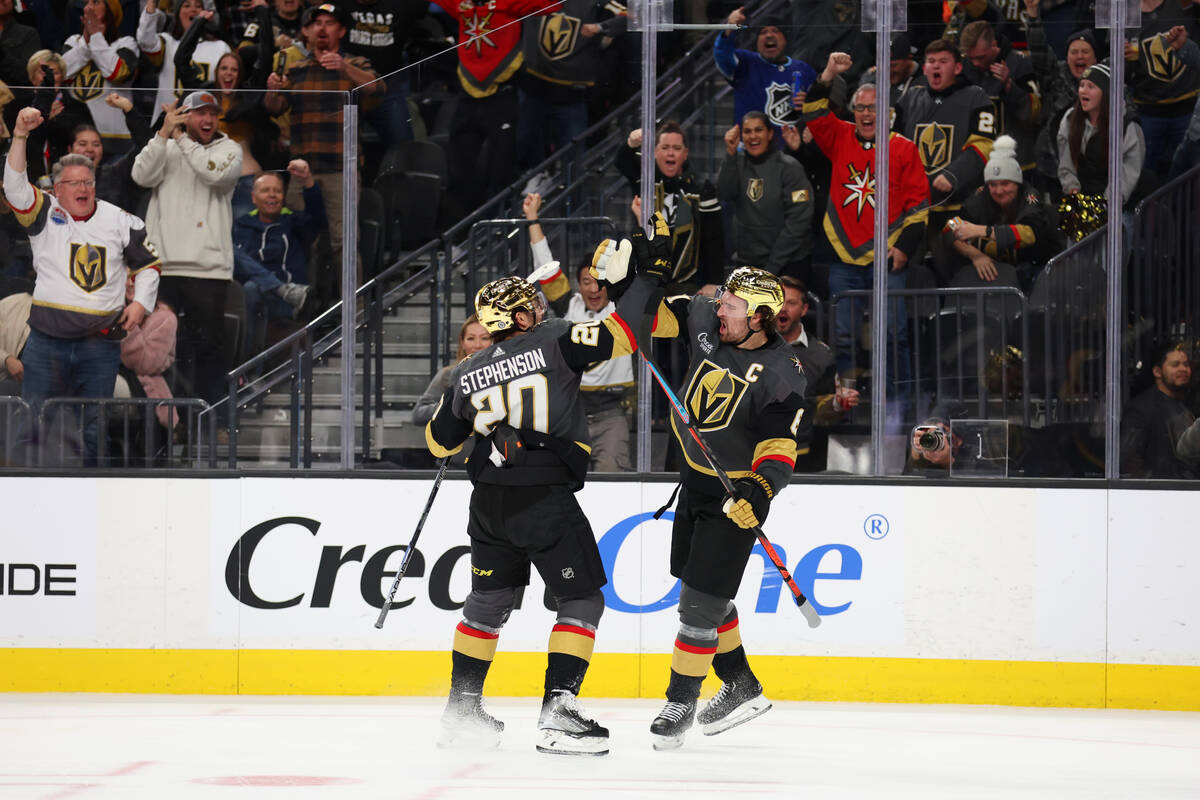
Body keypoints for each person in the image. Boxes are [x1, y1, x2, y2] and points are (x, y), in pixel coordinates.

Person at [423, 263, 650, 755]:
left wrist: (488, 418)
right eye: (531, 306)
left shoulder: (466, 370)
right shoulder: (553, 337)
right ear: (521, 318)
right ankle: (559, 712)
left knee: (487, 602)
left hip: (487, 500)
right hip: (543, 495)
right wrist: (642, 282)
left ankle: (462, 710)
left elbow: (439, 443)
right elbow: (625, 335)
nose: (539, 309)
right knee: (583, 598)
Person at [599, 245, 806, 748]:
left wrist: (758, 492)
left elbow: (778, 449)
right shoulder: (706, 320)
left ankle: (680, 701)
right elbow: (648, 322)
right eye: (723, 302)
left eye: (732, 307)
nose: (721, 310)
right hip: (694, 478)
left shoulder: (784, 373)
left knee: (697, 606)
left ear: (760, 318)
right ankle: (740, 683)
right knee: (703, 588)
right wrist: (631, 283)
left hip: (734, 495)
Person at [4, 107, 161, 463]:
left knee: (93, 426)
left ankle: (89, 496)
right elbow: (14, 187)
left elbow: (149, 265)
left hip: (99, 344)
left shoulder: (121, 220)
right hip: (46, 342)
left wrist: (141, 304)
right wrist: (19, 136)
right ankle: (28, 495)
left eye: (88, 182)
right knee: (33, 422)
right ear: (57, 189)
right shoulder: (44, 211)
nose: (83, 188)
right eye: (74, 183)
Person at [799, 53, 929, 392]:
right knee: (842, 336)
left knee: (894, 334)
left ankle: (898, 402)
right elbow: (813, 110)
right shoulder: (839, 136)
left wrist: (904, 247)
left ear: (887, 112)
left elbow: (919, 207)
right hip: (844, 258)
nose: (867, 114)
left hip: (889, 258)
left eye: (873, 107)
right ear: (853, 111)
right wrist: (828, 71)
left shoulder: (905, 148)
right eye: (861, 107)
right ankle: (847, 402)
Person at [263, 3, 382, 305]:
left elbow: (379, 88)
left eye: (329, 23)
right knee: (302, 240)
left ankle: (352, 315)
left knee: (343, 242)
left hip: (341, 168)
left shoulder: (355, 62)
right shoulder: (297, 69)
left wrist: (344, 68)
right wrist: (272, 89)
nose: (322, 28)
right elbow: (274, 108)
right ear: (307, 30)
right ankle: (306, 310)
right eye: (316, 23)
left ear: (341, 31)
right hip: (302, 172)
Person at [131, 89, 242, 408]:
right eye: (199, 113)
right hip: (163, 265)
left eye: (212, 113)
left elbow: (213, 174)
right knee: (161, 349)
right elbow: (140, 175)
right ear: (185, 115)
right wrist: (164, 132)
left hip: (209, 269)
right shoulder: (166, 144)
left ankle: (210, 419)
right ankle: (170, 424)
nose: (207, 119)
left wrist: (179, 138)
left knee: (207, 349)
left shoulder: (230, 149)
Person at [524, 191, 635, 472]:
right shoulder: (567, 306)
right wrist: (532, 218)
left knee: (612, 482)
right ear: (578, 285)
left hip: (613, 413)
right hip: (570, 414)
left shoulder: (623, 309)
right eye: (586, 281)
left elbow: (639, 269)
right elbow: (545, 264)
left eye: (599, 282)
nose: (594, 288)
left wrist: (639, 221)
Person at [894, 38, 997, 263]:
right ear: (925, 68)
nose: (936, 66)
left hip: (960, 208)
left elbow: (985, 144)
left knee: (951, 271)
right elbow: (892, 143)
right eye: (931, 61)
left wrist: (953, 174)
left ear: (958, 67)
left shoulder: (976, 96)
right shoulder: (910, 98)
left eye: (943, 61)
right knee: (913, 277)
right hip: (914, 209)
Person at [614, 121, 723, 291]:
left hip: (688, 285)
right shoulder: (645, 181)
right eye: (664, 147)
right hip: (647, 281)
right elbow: (622, 161)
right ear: (655, 152)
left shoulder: (702, 189)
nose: (670, 153)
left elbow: (714, 240)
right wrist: (631, 143)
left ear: (685, 153)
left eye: (676, 148)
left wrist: (714, 282)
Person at [944, 135, 1059, 291]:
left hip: (1036, 270)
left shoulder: (1030, 195)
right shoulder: (982, 193)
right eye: (993, 184)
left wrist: (980, 230)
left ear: (1017, 183)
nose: (998, 191)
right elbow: (949, 227)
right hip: (995, 273)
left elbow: (1030, 234)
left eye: (1005, 184)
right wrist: (975, 255)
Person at [232, 161, 323, 354]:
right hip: (250, 297)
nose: (272, 195)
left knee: (250, 289)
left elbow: (319, 220)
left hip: (286, 302)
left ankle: (249, 372)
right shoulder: (240, 226)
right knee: (230, 252)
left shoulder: (293, 222)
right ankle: (279, 288)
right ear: (253, 198)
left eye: (277, 191)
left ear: (283, 196)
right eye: (265, 190)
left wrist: (307, 181)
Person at [718, 111, 814, 281]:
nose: (753, 136)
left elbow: (799, 222)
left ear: (770, 134)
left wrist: (772, 268)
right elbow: (725, 193)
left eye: (758, 130)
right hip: (747, 263)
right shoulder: (736, 163)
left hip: (787, 264)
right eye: (747, 131)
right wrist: (730, 155)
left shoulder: (789, 167)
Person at [1056, 64, 1147, 238]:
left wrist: (1103, 207)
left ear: (1106, 93)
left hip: (1117, 206)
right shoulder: (1070, 119)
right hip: (1082, 199)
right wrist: (1073, 192)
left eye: (1091, 87)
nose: (1083, 91)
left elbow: (1128, 175)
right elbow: (1066, 164)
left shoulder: (1128, 127)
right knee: (1073, 251)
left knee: (1111, 247)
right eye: (1082, 85)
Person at [776, 275, 856, 472]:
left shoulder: (820, 355)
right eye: (778, 302)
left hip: (799, 454)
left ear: (803, 309)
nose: (783, 308)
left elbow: (822, 411)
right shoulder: (748, 346)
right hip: (749, 450)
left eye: (791, 303)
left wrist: (838, 403)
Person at [713, 9, 818, 138]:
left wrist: (810, 105)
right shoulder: (745, 62)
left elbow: (823, 107)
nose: (769, 35)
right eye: (763, 32)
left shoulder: (804, 69)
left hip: (793, 152)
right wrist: (729, 28)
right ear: (757, 42)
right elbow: (722, 55)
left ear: (785, 39)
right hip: (751, 149)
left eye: (775, 31)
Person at [61, 0, 140, 156]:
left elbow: (117, 74)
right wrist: (87, 43)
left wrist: (96, 37)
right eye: (87, 3)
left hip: (116, 136)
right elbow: (62, 74)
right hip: (76, 135)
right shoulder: (73, 42)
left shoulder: (126, 43)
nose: (88, 7)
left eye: (96, 2)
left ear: (110, 11)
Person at [136, 0, 231, 123]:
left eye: (198, 6)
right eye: (186, 5)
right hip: (170, 123)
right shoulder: (167, 42)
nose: (193, 9)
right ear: (177, 14)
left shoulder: (220, 47)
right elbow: (145, 41)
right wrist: (151, 4)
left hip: (206, 123)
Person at [1120, 343, 1196, 478]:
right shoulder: (1141, 409)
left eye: (1186, 364)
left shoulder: (1187, 406)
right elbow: (1129, 462)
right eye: (1175, 365)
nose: (1183, 369)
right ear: (1157, 371)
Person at [410, 314, 492, 426]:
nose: (477, 345)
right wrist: (452, 405)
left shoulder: (507, 371)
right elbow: (418, 415)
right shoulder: (448, 374)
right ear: (462, 342)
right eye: (471, 338)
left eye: (485, 338)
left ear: (494, 341)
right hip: (462, 442)